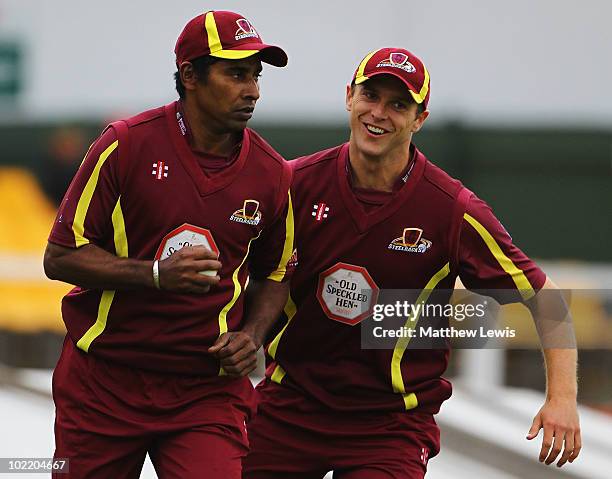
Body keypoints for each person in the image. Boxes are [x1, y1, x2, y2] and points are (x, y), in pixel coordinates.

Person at [243, 48, 581, 478]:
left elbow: (547, 300)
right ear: (349, 97)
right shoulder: (292, 185)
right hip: (288, 406)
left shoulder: (452, 210)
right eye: (371, 96)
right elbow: (235, 265)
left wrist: (562, 400)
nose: (379, 113)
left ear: (419, 119)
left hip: (390, 425)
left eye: (398, 104)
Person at [43, 10, 293, 479]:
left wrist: (253, 336)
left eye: (256, 76)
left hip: (207, 392)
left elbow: (276, 272)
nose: (253, 90)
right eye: (236, 73)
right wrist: (155, 275)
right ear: (190, 75)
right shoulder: (125, 145)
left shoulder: (273, 173)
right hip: (103, 383)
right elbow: (59, 256)